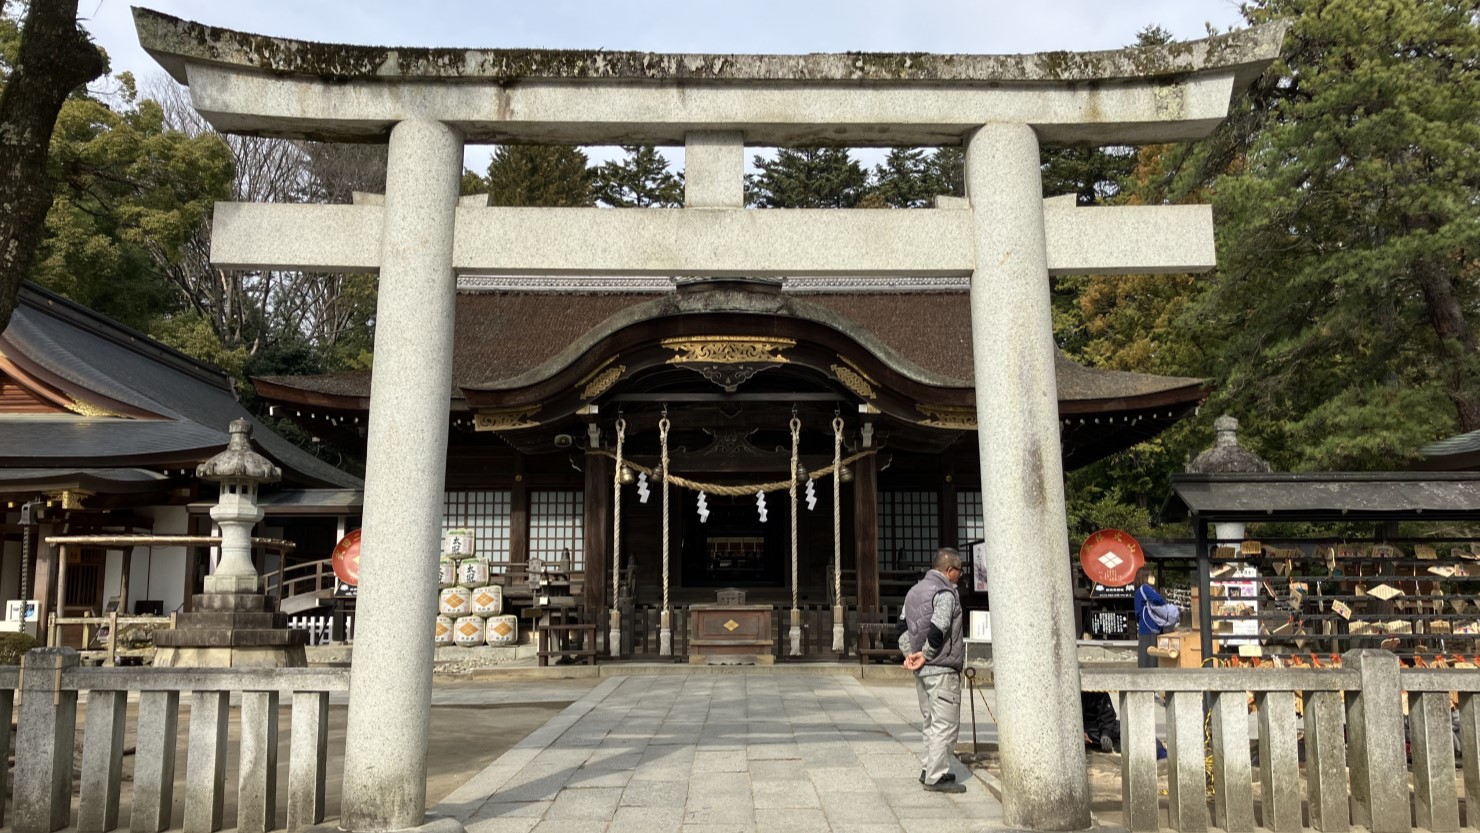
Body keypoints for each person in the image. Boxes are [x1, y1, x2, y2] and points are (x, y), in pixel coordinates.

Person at [897, 547, 967, 793]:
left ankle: (929, 768)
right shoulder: (945, 593)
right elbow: (939, 628)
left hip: (922, 672)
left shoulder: (914, 591)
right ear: (949, 571)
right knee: (944, 723)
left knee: (930, 721)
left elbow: (901, 626)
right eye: (959, 571)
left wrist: (910, 654)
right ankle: (936, 776)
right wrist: (925, 655)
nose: (960, 575)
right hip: (941, 667)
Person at [1132, 565, 1168, 669]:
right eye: (1151, 576)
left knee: (1145, 656)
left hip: (1144, 627)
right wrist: (1163, 605)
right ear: (1145, 577)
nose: (1153, 578)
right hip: (1151, 626)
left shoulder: (1138, 591)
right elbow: (1157, 599)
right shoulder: (1145, 588)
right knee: (1152, 657)